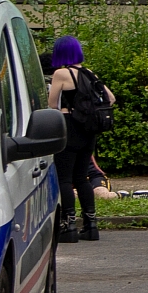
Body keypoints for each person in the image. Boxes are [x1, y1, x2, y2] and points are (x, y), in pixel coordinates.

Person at [44, 36, 109, 242]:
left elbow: (52, 103)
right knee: (82, 178)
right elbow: (110, 98)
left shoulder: (60, 73)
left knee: (65, 178)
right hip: (88, 130)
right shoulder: (89, 74)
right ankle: (91, 225)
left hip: (68, 126)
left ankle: (68, 225)